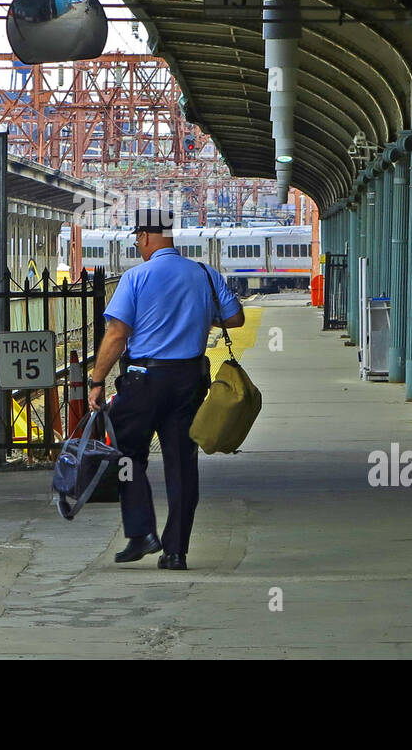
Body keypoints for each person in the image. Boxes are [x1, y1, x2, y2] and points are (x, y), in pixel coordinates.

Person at [87, 208, 244, 570]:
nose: (138, 246)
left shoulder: (136, 277)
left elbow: (117, 334)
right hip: (189, 382)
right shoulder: (204, 273)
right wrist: (194, 316)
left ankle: (142, 532)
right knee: (182, 465)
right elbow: (234, 318)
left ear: (144, 236)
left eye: (137, 240)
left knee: (128, 456)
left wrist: (97, 381)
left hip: (143, 381)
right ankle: (176, 552)